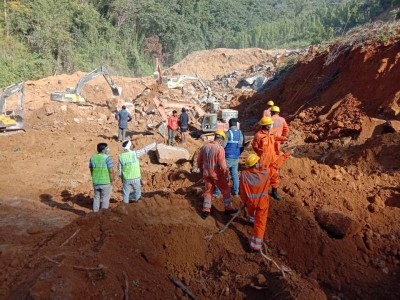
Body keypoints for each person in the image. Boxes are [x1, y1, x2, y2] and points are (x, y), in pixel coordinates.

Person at [197, 130, 239, 219]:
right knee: (226, 190)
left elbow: (199, 161)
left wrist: (201, 170)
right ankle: (228, 208)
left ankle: (206, 210)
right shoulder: (220, 149)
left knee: (208, 192)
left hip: (207, 174)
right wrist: (227, 175)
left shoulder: (205, 147)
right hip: (217, 175)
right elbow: (223, 166)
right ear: (221, 140)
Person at [252, 116, 288, 201]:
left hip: (273, 157)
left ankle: (274, 191)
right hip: (264, 159)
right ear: (265, 125)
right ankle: (261, 191)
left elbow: (276, 137)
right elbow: (254, 146)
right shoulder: (259, 135)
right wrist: (260, 152)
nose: (271, 125)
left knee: (274, 175)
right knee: (263, 175)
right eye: (270, 124)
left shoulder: (272, 132)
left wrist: (284, 138)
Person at [240, 153, 270, 252]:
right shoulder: (265, 173)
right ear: (256, 163)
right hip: (262, 204)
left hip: (251, 202)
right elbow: (273, 166)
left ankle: (251, 220)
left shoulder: (244, 174)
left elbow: (243, 192)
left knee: (252, 213)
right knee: (260, 224)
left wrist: (245, 201)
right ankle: (255, 247)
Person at [214, 118, 245, 196]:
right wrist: (238, 154)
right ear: (236, 124)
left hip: (227, 157)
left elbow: (223, 145)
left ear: (229, 124)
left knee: (220, 173)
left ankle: (217, 192)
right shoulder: (240, 133)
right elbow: (242, 146)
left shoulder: (228, 133)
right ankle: (235, 192)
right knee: (234, 174)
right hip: (236, 157)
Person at [89, 143, 114, 212]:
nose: (107, 149)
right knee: (105, 198)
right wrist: (112, 180)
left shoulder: (92, 158)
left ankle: (95, 213)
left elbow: (91, 169)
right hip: (106, 182)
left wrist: (93, 176)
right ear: (103, 150)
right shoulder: (107, 158)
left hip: (96, 182)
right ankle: (103, 214)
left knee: (96, 197)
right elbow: (111, 171)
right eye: (106, 148)